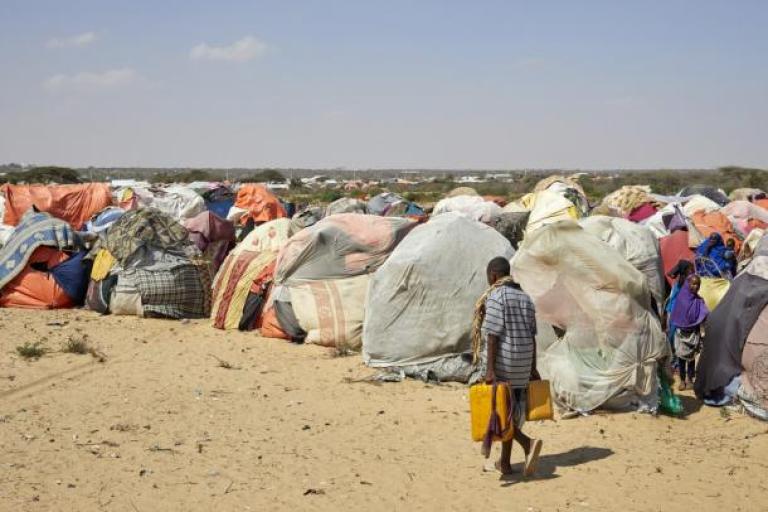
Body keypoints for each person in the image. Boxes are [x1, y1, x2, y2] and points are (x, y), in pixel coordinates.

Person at [480, 256, 542, 476]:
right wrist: (533, 368)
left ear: (494, 276)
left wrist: (489, 370)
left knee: (500, 412)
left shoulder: (497, 297)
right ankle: (505, 463)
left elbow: (493, 336)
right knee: (512, 411)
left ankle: (527, 444)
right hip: (524, 363)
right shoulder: (526, 298)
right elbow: (533, 337)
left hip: (505, 363)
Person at [669, 275, 709, 390]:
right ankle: (682, 380)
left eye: (697, 284)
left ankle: (690, 379)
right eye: (693, 283)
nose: (695, 286)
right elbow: (676, 314)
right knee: (681, 359)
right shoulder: (681, 298)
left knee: (691, 358)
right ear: (688, 284)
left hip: (693, 333)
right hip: (681, 333)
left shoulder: (699, 300)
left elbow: (705, 313)